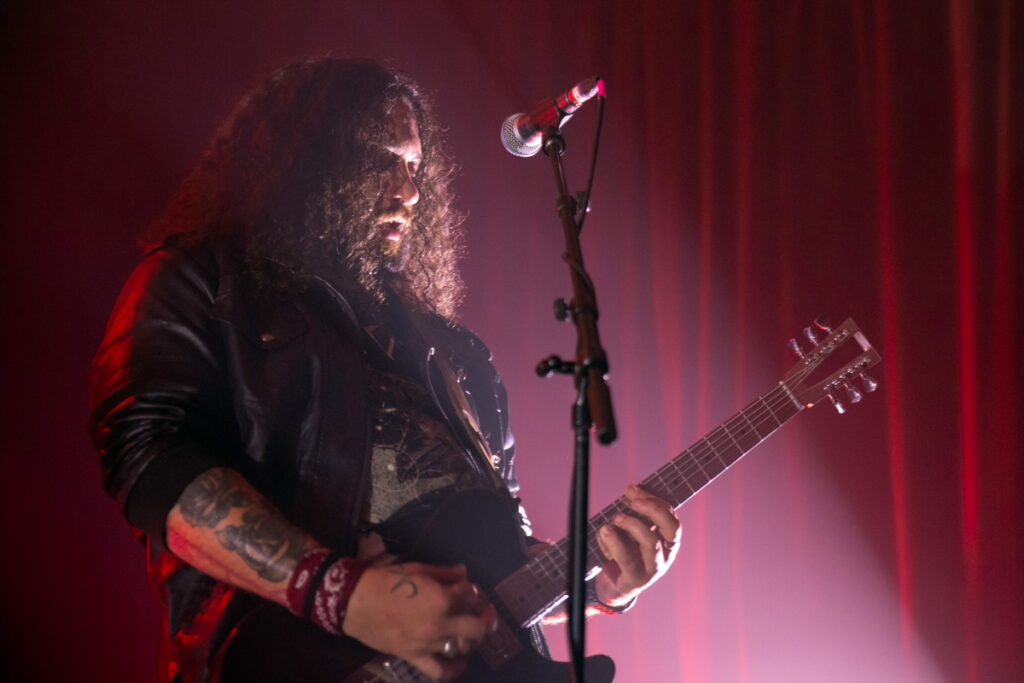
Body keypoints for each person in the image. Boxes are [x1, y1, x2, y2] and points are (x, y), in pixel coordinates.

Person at [89, 58, 680, 682]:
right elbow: (150, 457)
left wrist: (598, 583)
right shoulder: (204, 284)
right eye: (380, 162)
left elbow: (503, 562)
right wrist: (344, 595)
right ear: (306, 162)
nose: (409, 191)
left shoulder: (457, 356)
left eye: (415, 169)